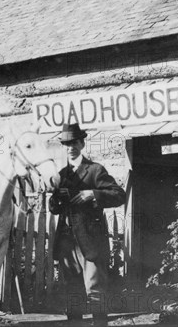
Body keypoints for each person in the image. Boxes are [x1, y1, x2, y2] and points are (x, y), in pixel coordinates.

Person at [49, 123, 125, 327]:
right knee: (71, 290)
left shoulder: (95, 170)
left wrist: (93, 194)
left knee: (95, 288)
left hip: (90, 240)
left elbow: (119, 195)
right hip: (66, 241)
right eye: (66, 144)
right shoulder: (61, 174)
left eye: (74, 142)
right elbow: (54, 208)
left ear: (82, 143)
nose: (70, 147)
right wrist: (56, 197)